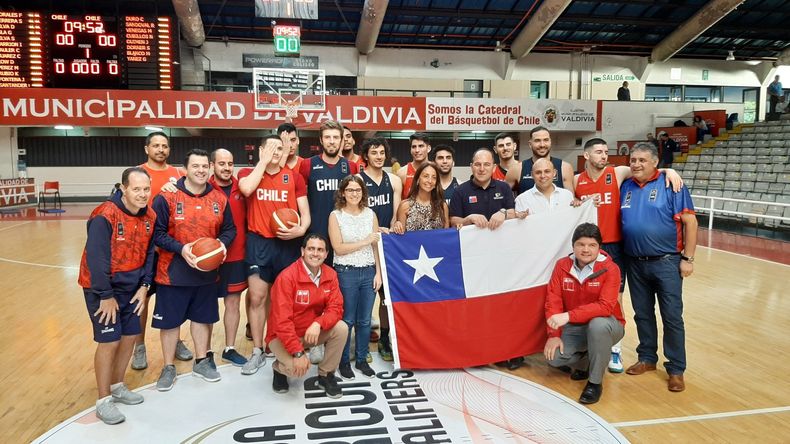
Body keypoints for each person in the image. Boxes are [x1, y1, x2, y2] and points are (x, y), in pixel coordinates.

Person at [574, 138, 684, 373]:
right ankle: (586, 347)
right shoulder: (576, 180)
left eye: (606, 151)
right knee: (586, 297)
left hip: (615, 247)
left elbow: (646, 168)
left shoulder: (618, 172)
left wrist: (668, 170)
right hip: (587, 248)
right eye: (598, 152)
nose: (604, 156)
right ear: (586, 155)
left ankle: (616, 351)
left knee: (615, 300)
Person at [151, 149, 236, 391]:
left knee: (202, 319)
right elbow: (156, 234)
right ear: (185, 169)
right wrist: (181, 248)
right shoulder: (166, 197)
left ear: (209, 168)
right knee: (170, 324)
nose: (200, 170)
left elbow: (230, 230)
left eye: (203, 166)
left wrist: (221, 244)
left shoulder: (219, 199)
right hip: (172, 272)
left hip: (206, 274)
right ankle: (168, 367)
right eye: (195, 166)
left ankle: (201, 361)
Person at [78, 167, 155, 424]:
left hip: (133, 288)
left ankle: (117, 386)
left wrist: (145, 286)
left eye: (146, 189)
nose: (142, 194)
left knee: (131, 335)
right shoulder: (104, 215)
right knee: (109, 341)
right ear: (123, 188)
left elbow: (150, 254)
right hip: (102, 289)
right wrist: (105, 295)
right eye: (137, 189)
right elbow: (96, 258)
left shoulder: (150, 216)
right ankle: (103, 400)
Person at [620, 142, 697, 393]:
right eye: (633, 160)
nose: (636, 164)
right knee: (642, 314)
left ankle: (676, 369)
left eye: (642, 160)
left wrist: (688, 258)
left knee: (672, 317)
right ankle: (647, 358)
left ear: (655, 162)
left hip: (667, 262)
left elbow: (691, 222)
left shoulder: (671, 184)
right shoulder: (626, 186)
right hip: (635, 262)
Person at [238, 135, 311, 375]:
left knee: (285, 300)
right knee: (257, 297)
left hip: (287, 244)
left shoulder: (295, 177)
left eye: (279, 148)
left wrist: (300, 230)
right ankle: (257, 350)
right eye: (270, 148)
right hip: (259, 243)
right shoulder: (248, 174)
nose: (276, 151)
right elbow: (247, 189)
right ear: (261, 150)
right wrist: (264, 161)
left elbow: (305, 214)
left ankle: (278, 343)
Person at [449, 148, 526, 369]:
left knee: (503, 306)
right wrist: (469, 217)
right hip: (472, 261)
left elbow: (515, 214)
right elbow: (453, 220)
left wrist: (503, 212)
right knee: (477, 308)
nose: (482, 169)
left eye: (486, 165)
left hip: (502, 259)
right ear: (471, 166)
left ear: (493, 167)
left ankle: (507, 351)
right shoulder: (461, 191)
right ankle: (479, 351)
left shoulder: (503, 188)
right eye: (477, 164)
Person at [544, 223, 625, 405]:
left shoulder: (611, 269)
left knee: (597, 325)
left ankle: (595, 383)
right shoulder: (562, 265)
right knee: (554, 358)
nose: (586, 250)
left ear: (599, 247)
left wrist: (568, 316)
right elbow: (553, 300)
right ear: (573, 246)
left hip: (609, 325)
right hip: (576, 325)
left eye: (592, 245)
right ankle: (586, 361)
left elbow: (605, 307)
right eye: (581, 244)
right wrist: (554, 335)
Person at [133, 131, 192, 371]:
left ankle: (176, 341)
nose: (160, 149)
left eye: (164, 146)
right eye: (156, 145)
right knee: (141, 300)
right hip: (144, 247)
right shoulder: (137, 174)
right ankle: (139, 347)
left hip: (170, 248)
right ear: (147, 148)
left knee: (173, 300)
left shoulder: (179, 174)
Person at [267, 234, 348, 399]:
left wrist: (318, 323)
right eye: (311, 249)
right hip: (281, 337)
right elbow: (282, 322)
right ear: (302, 251)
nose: (315, 253)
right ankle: (279, 368)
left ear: (326, 254)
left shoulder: (330, 275)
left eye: (320, 250)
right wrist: (298, 353)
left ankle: (325, 375)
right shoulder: (287, 277)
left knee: (341, 328)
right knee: (297, 371)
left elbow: (336, 308)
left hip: (310, 332)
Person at [328, 176, 382, 380]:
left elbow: (376, 245)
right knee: (347, 319)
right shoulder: (336, 216)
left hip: (369, 271)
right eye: (350, 190)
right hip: (346, 272)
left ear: (363, 193)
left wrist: (378, 272)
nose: (354, 194)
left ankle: (361, 359)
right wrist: (364, 240)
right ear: (342, 192)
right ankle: (343, 362)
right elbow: (338, 248)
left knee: (365, 320)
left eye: (357, 190)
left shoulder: (371, 214)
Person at [359, 138, 401, 361]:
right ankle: (362, 342)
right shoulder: (357, 180)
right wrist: (373, 230)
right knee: (365, 298)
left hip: (387, 246)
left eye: (382, 152)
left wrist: (393, 225)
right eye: (374, 152)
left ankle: (385, 339)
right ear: (365, 155)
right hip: (364, 245)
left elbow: (396, 216)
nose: (378, 156)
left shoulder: (393, 180)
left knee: (387, 299)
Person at [208, 149, 248, 367]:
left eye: (230, 163)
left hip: (236, 255)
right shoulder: (203, 187)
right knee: (206, 305)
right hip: (209, 257)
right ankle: (205, 352)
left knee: (233, 303)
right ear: (212, 165)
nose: (226, 167)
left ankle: (230, 348)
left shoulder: (242, 187)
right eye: (221, 163)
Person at [299, 120, 359, 263]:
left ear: (342, 140)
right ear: (321, 140)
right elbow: (300, 199)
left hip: (344, 234)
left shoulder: (351, 167)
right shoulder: (307, 164)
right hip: (316, 232)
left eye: (336, 137)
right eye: (327, 137)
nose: (331, 142)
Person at [505, 126, 575, 194]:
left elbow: (571, 200)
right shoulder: (516, 169)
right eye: (537, 140)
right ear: (530, 144)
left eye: (546, 140)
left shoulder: (565, 167)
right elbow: (504, 198)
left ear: (550, 142)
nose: (542, 145)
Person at [394, 162, 449, 232]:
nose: (430, 181)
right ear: (417, 179)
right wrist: (397, 225)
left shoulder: (442, 206)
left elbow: (447, 236)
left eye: (434, 177)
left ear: (436, 183)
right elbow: (401, 239)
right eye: (426, 176)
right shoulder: (405, 206)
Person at [396, 133, 432, 200]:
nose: (417, 150)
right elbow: (398, 203)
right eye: (414, 147)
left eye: (421, 146)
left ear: (428, 148)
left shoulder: (436, 170)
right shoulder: (402, 173)